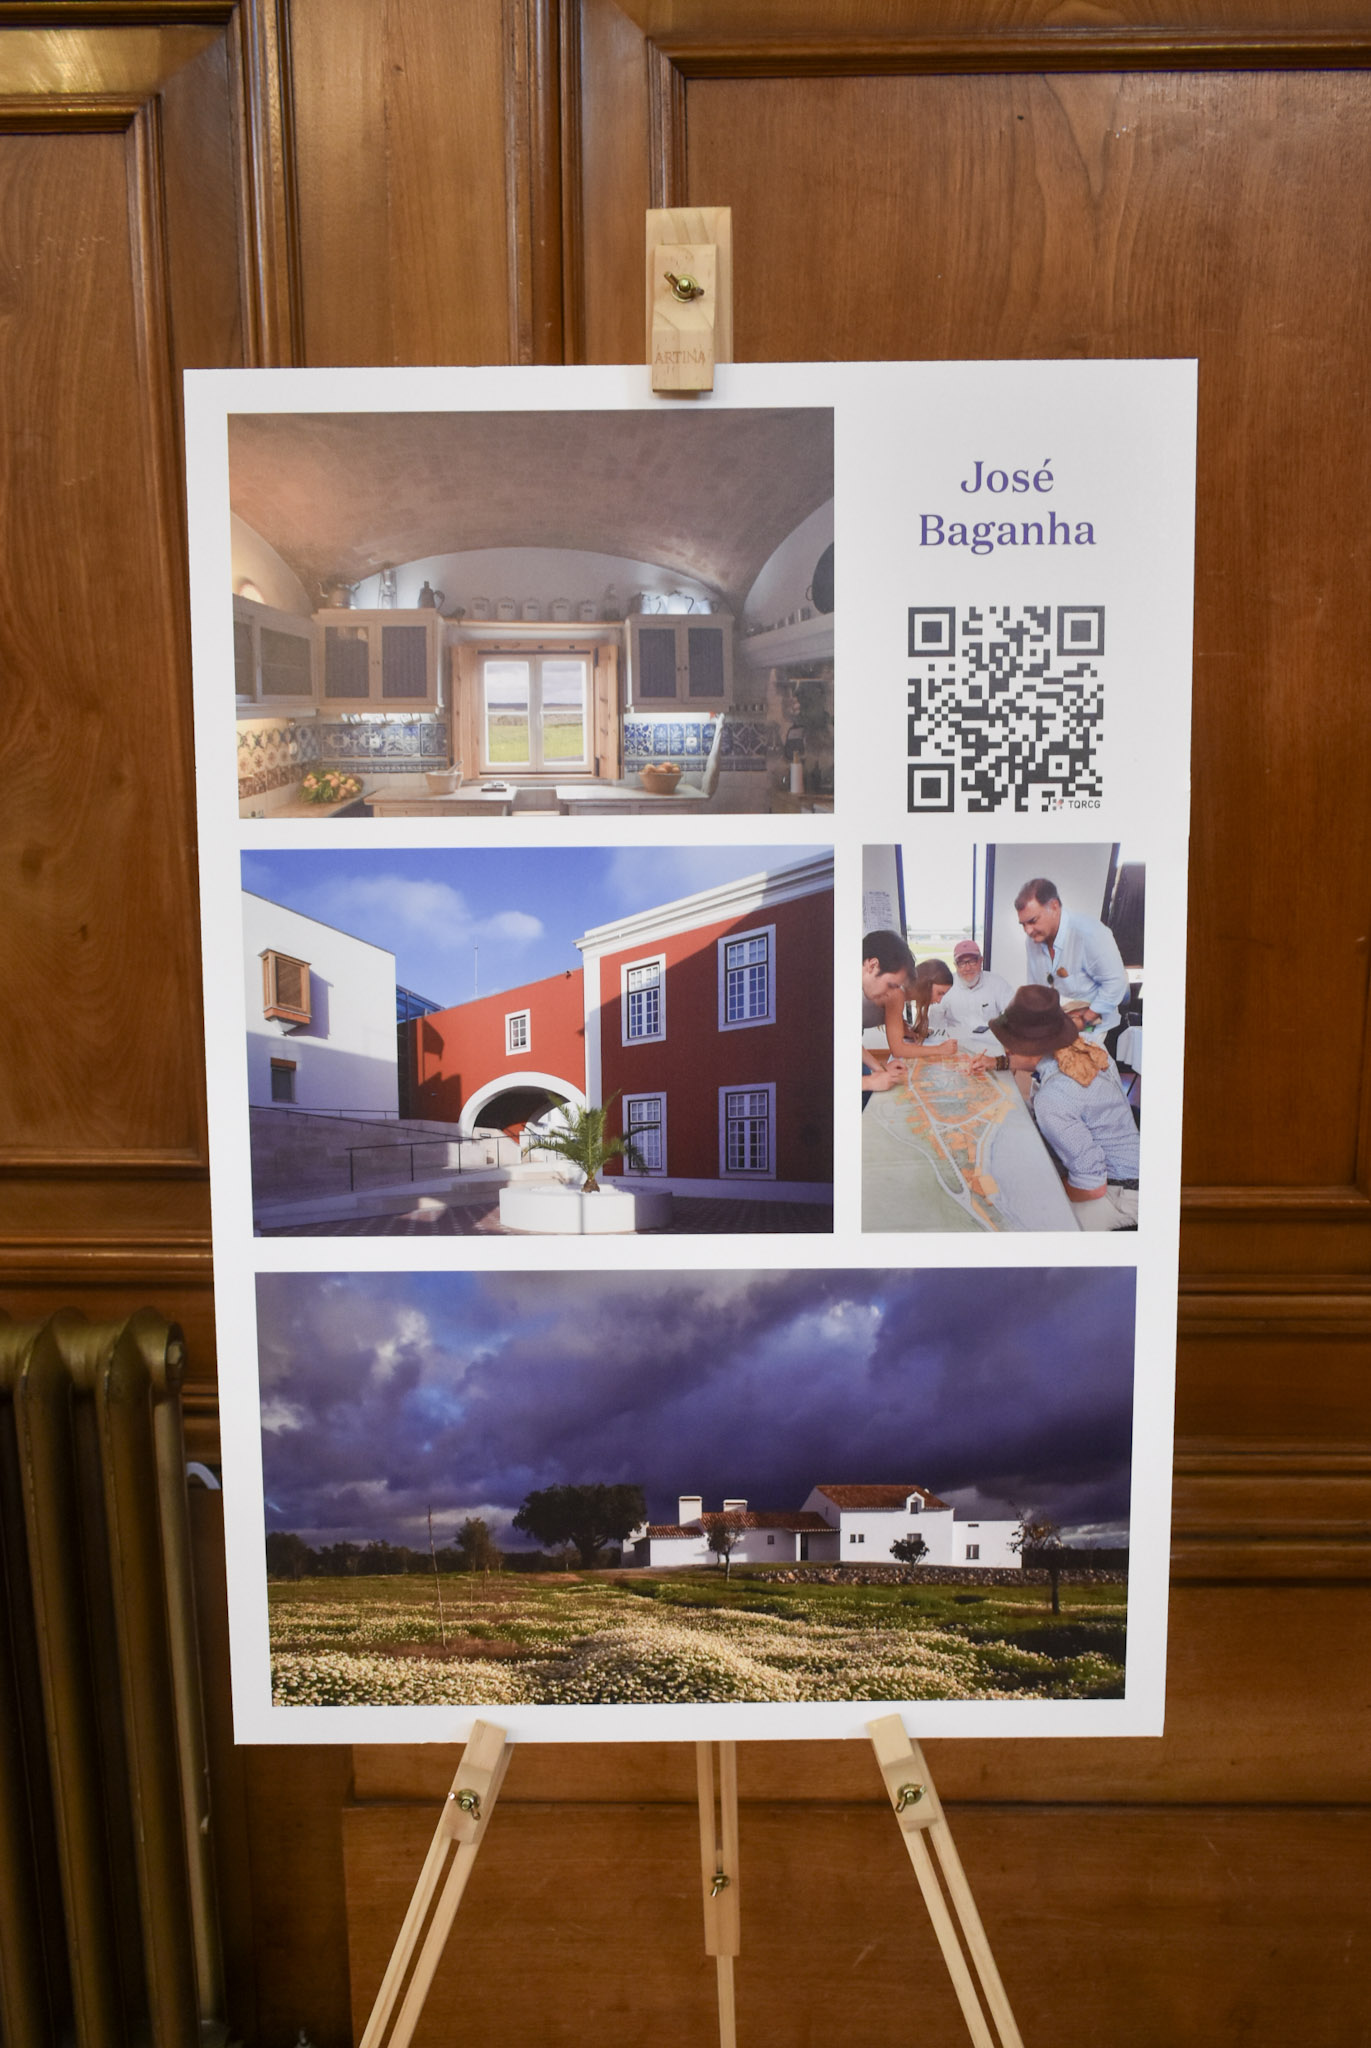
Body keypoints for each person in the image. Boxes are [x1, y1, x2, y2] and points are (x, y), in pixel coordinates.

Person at [984, 985, 1139, 1231]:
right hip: (1136, 1166)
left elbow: (1091, 1186)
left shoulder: (1052, 1098)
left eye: (1009, 1044)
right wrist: (998, 1062)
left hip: (1119, 1193)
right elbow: (1038, 1060)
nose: (1007, 1049)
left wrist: (1046, 1189)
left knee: (1022, 1216)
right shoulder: (1089, 1046)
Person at [1015, 877, 1129, 1040]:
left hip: (1094, 1027)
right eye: (1023, 924)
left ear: (1054, 906)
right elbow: (1036, 989)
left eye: (1032, 921)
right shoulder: (1032, 940)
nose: (1028, 930)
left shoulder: (1091, 933)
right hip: (1058, 1027)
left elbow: (1116, 982)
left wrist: (1084, 1020)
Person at [934, 939, 1014, 1052]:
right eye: (961, 963)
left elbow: (1014, 1013)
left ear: (981, 961)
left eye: (972, 961)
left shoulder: (997, 983)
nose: (967, 968)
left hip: (991, 1047)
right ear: (955, 965)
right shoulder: (946, 985)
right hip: (957, 1047)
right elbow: (935, 1022)